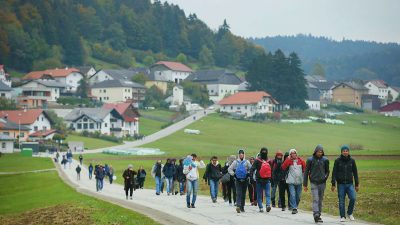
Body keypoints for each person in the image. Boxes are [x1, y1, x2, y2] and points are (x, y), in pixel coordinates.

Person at [331, 145, 359, 222]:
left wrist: (357, 184)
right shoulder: (337, 161)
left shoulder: (352, 161)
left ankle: (349, 213)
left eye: (346, 151)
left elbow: (355, 173)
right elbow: (334, 173)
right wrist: (333, 184)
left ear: (348, 152)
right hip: (341, 184)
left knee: (353, 198)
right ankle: (342, 216)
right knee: (341, 201)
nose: (345, 152)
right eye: (344, 151)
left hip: (350, 184)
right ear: (341, 152)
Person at [303, 145, 330, 223]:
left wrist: (325, 178)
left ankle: (319, 215)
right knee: (315, 198)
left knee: (320, 199)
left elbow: (327, 171)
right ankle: (316, 214)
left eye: (321, 152)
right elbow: (306, 172)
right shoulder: (310, 160)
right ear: (315, 152)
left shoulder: (325, 160)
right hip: (313, 182)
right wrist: (305, 184)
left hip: (322, 183)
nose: (320, 153)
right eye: (318, 152)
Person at [282, 148, 306, 214]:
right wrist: (288, 159)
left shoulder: (301, 161)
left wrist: (305, 179)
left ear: (296, 154)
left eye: (294, 153)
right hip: (291, 181)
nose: (293, 154)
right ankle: (294, 208)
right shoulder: (288, 161)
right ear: (290, 154)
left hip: (299, 181)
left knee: (298, 196)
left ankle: (295, 205)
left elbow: (305, 170)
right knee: (292, 195)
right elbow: (283, 167)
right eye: (291, 153)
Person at [229, 149, 252, 213]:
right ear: (238, 155)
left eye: (242, 154)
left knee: (243, 194)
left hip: (245, 180)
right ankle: (238, 206)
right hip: (238, 180)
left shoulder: (246, 162)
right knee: (239, 193)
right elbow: (229, 169)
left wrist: (248, 174)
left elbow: (251, 169)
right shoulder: (235, 162)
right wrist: (234, 175)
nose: (241, 155)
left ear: (244, 154)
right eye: (240, 154)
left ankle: (242, 207)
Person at [250, 148, 272, 213]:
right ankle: (268, 205)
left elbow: (252, 169)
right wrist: (271, 179)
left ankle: (261, 207)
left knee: (259, 195)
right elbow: (271, 170)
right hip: (267, 180)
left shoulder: (257, 160)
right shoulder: (269, 161)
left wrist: (251, 178)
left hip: (259, 180)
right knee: (267, 194)